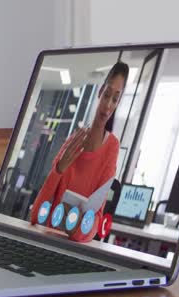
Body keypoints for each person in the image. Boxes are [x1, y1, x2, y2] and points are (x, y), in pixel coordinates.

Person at [29, 62, 128, 242]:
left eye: (115, 99)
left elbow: (95, 224)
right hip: (46, 242)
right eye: (106, 95)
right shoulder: (72, 142)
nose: (108, 105)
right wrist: (58, 169)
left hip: (72, 247)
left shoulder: (112, 147)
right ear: (99, 92)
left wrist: (76, 230)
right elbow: (35, 215)